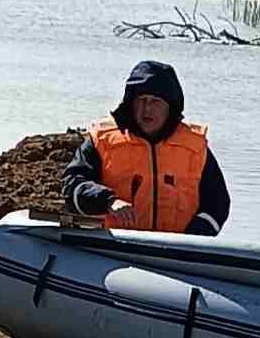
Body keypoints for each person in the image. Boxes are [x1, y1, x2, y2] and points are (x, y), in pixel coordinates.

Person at [61, 60, 230, 236]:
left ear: (170, 106)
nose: (147, 108)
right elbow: (72, 185)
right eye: (141, 100)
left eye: (155, 101)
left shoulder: (194, 146)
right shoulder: (103, 140)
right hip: (113, 247)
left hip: (180, 251)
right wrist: (109, 202)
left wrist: (194, 237)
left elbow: (218, 203)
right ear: (130, 103)